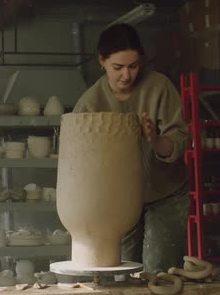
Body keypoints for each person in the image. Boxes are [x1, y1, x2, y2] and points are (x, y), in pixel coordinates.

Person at [73, 23, 189, 273]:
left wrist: (155, 140)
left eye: (134, 66)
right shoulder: (89, 105)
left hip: (166, 191)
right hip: (117, 198)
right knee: (119, 272)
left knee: (161, 271)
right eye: (118, 67)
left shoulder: (159, 87)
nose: (127, 75)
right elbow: (81, 168)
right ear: (102, 61)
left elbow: (180, 138)